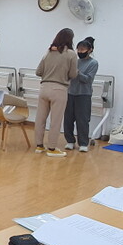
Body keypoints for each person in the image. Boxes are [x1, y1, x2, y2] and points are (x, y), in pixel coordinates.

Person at [34, 28, 79, 157]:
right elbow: (73, 74)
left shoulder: (48, 52)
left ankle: (39, 146)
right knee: (56, 121)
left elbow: (38, 72)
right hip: (59, 89)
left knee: (40, 119)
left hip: (44, 88)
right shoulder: (71, 54)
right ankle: (52, 148)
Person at [63, 37, 99, 152]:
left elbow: (87, 79)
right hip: (70, 93)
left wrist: (77, 72)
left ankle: (83, 143)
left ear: (90, 50)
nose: (80, 52)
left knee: (82, 120)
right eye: (78, 49)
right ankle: (70, 141)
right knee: (68, 119)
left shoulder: (93, 63)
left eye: (83, 49)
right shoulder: (76, 61)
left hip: (84, 95)